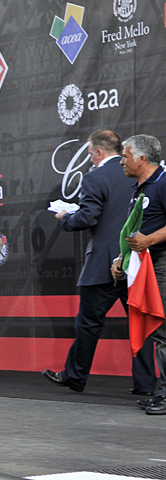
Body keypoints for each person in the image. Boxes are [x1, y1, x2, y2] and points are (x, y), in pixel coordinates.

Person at [43, 130, 156, 394]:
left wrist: (65, 218)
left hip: (103, 265)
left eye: (90, 154)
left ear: (97, 152)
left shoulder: (95, 177)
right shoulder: (143, 176)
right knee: (141, 326)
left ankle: (75, 376)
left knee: (88, 324)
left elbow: (88, 217)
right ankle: (145, 385)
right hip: (138, 263)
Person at [110, 135, 166, 414]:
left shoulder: (164, 182)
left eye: (125, 156)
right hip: (143, 265)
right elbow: (132, 231)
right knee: (158, 333)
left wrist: (150, 240)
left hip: (161, 262)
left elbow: (147, 234)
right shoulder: (138, 188)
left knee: (164, 331)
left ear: (142, 159)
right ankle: (163, 393)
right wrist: (121, 257)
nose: (121, 161)